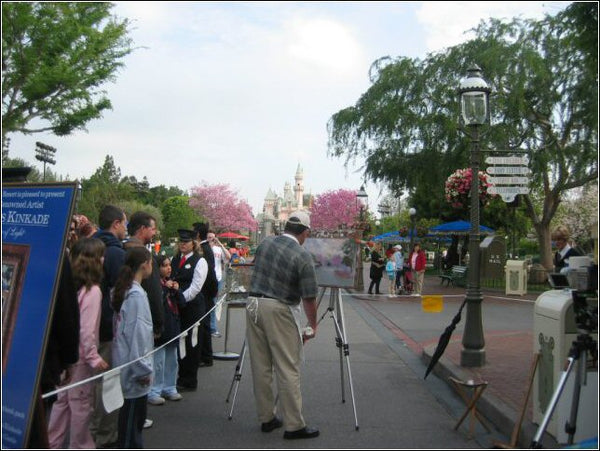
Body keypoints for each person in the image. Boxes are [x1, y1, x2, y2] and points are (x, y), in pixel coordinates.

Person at [246, 211, 319, 440]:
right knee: (288, 367)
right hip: (278, 308)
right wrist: (313, 325)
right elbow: (308, 297)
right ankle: (294, 425)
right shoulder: (302, 255)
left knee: (261, 366)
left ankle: (267, 418)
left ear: (286, 226)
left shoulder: (266, 243)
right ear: (305, 232)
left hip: (253, 304)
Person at [48, 238, 110, 448]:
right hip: (81, 360)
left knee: (61, 404)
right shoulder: (93, 291)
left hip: (65, 356)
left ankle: (52, 443)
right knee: (82, 408)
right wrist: (94, 357)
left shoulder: (69, 286)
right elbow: (87, 329)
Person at [90, 205, 127, 447]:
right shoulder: (115, 253)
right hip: (105, 327)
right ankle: (105, 436)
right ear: (115, 224)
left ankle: (90, 432)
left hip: (85, 325)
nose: (126, 228)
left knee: (88, 386)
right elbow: (120, 293)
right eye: (124, 223)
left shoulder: (87, 246)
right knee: (107, 383)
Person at [111, 247, 155, 449]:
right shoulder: (136, 296)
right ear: (144, 264)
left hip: (125, 362)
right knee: (131, 426)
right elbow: (138, 335)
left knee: (130, 421)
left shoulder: (126, 290)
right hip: (133, 369)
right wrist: (143, 368)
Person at [171, 229, 208, 391]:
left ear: (193, 244)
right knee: (178, 342)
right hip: (177, 306)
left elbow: (196, 287)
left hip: (191, 306)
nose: (182, 245)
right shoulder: (175, 259)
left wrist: (181, 299)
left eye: (186, 242)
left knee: (191, 344)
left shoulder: (200, 261)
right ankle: (178, 376)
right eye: (181, 242)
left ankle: (189, 379)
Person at [148, 255, 186, 403]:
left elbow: (182, 303)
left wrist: (176, 290)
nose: (168, 268)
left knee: (172, 360)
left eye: (169, 265)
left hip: (173, 327)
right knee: (158, 362)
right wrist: (165, 289)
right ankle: (154, 390)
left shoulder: (171, 284)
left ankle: (170, 387)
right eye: (164, 265)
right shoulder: (155, 286)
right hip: (161, 329)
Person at [193, 222, 219, 367]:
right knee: (204, 324)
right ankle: (205, 355)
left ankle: (206, 356)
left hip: (205, 292)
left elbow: (208, 274)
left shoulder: (203, 249)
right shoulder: (205, 248)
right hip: (207, 291)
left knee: (204, 325)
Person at [207, 231, 231, 337]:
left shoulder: (218, 249)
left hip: (217, 279)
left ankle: (212, 328)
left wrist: (220, 244)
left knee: (213, 303)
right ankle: (207, 327)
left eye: (213, 237)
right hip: (206, 279)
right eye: (209, 237)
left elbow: (228, 256)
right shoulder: (203, 249)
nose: (211, 239)